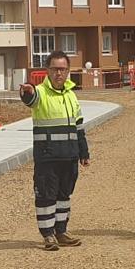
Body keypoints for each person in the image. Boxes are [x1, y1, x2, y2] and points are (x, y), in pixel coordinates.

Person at [18, 52, 90, 252]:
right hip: (47, 157)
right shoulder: (40, 92)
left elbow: (79, 127)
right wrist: (27, 92)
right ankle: (48, 235)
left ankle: (61, 232)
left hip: (69, 156)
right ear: (47, 71)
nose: (59, 73)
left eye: (63, 69)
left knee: (64, 195)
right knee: (46, 197)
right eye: (55, 69)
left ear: (68, 71)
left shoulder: (71, 94)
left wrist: (83, 152)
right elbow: (30, 99)